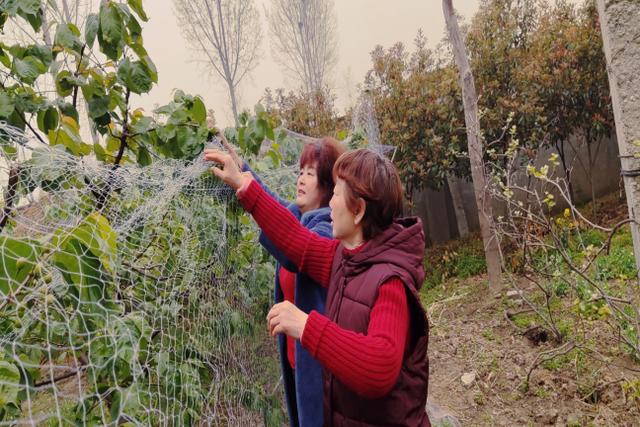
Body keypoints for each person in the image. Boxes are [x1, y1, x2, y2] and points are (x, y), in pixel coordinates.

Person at [204, 147, 430, 426]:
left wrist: (306, 326)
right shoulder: (345, 259)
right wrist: (242, 183)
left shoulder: (390, 281)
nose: (331, 202)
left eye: (336, 193)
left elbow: (380, 367)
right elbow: (296, 240)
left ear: (358, 210)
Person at [219, 134, 344, 427]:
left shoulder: (325, 229)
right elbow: (275, 205)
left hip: (318, 365)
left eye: (310, 174)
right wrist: (242, 165)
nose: (301, 179)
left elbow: (295, 247)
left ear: (327, 186)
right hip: (296, 359)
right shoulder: (302, 218)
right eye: (300, 172)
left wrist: (245, 187)